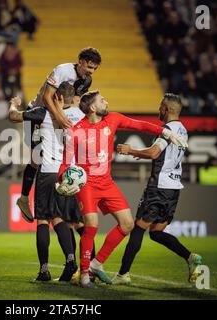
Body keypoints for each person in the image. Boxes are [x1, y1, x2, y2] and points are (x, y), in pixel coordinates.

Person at [56, 91, 188, 288]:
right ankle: (84, 274)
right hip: (87, 185)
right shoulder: (75, 132)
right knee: (91, 225)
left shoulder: (113, 119)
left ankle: (95, 264)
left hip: (107, 183)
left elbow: (140, 125)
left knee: (127, 224)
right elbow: (65, 164)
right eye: (102, 100)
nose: (106, 102)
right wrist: (61, 181)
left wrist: (166, 132)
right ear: (92, 108)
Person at [113, 93, 202, 285]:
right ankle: (190, 257)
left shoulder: (167, 129)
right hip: (173, 189)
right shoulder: (183, 130)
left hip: (159, 187)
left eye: (161, 106)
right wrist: (142, 153)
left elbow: (154, 153)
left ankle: (123, 274)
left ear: (167, 109)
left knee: (137, 229)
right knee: (156, 232)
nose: (158, 109)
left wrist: (131, 150)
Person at [8, 82, 84, 282]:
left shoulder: (43, 112)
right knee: (60, 219)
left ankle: (44, 270)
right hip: (70, 175)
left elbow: (13, 117)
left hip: (49, 171)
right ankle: (71, 261)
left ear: (56, 96)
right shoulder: (80, 115)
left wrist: (14, 104)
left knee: (43, 219)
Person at [17, 47, 100, 224]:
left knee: (60, 155)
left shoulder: (86, 80)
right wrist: (60, 117)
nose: (91, 72)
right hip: (39, 114)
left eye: (94, 69)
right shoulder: (63, 70)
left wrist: (73, 119)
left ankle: (62, 196)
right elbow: (47, 97)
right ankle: (24, 198)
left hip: (57, 117)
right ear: (81, 61)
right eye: (89, 67)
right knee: (37, 158)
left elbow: (75, 102)